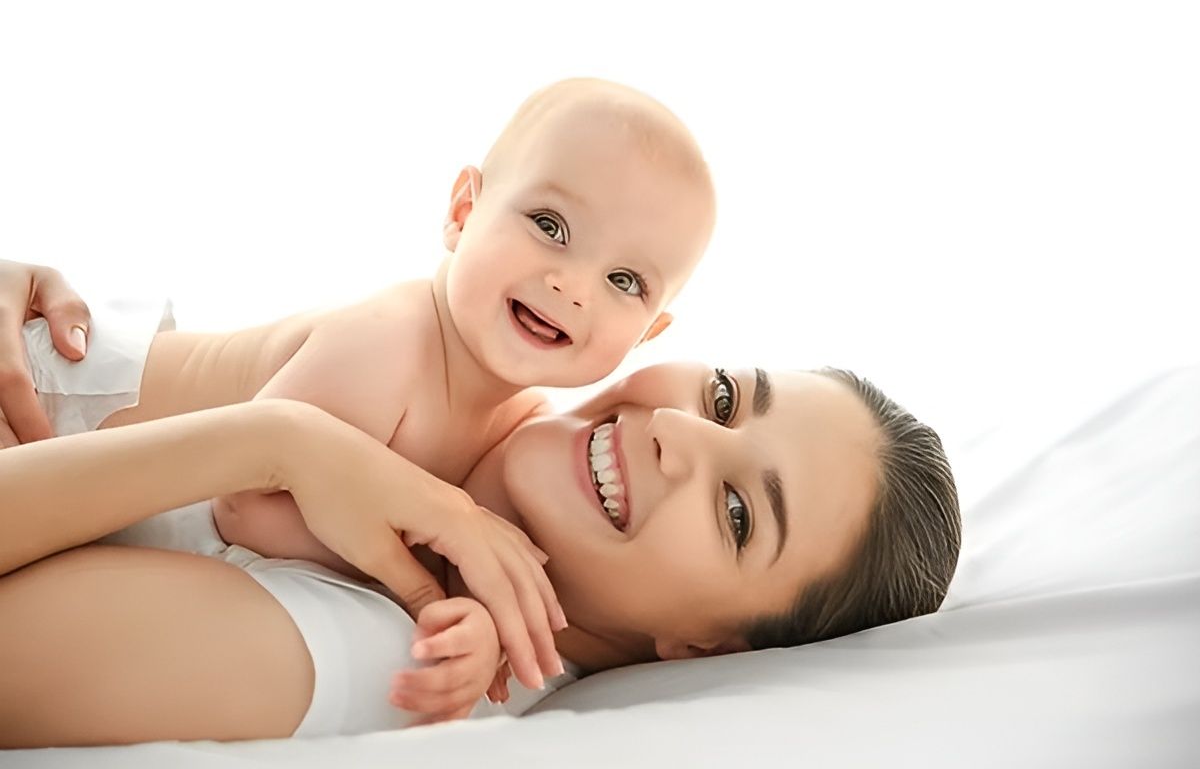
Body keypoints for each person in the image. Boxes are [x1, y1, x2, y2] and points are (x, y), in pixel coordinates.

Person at [0, 261, 962, 747]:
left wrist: (280, 445)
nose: (681, 434)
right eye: (723, 398)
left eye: (741, 515)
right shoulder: (475, 363)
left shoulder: (384, 654)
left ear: (708, 646)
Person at [0, 76, 716, 711]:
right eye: (550, 226)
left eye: (625, 282)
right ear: (464, 211)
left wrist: (477, 611)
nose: (574, 285)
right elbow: (250, 507)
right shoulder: (394, 340)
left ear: (650, 330)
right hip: (54, 403)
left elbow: (407, 524)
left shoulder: (522, 425)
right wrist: (442, 552)